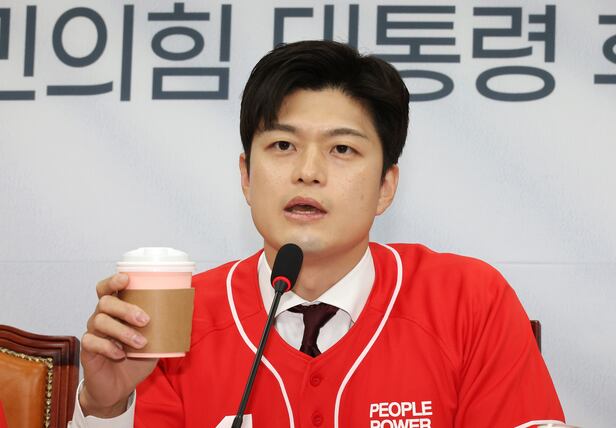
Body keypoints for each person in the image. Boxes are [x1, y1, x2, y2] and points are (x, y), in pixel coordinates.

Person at [69, 40, 565, 427]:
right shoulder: (179, 316)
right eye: (283, 145)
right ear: (246, 177)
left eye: (342, 150)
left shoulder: (468, 300)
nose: (308, 172)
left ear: (386, 186)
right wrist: (107, 403)